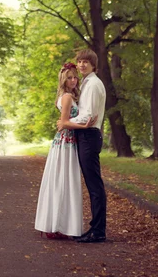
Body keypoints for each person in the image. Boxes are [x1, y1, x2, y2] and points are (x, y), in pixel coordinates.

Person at [34, 62, 95, 239]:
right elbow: (64, 123)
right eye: (69, 77)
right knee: (63, 182)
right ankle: (55, 226)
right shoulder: (67, 97)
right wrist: (84, 125)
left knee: (62, 182)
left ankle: (57, 225)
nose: (74, 80)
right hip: (65, 143)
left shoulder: (68, 96)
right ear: (63, 79)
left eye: (75, 77)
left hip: (67, 143)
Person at [57, 49, 107, 243]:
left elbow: (88, 116)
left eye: (86, 62)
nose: (82, 65)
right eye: (80, 62)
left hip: (89, 135)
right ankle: (95, 228)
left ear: (93, 65)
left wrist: (66, 122)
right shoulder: (86, 83)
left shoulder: (93, 84)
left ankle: (98, 231)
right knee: (92, 184)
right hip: (84, 134)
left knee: (95, 185)